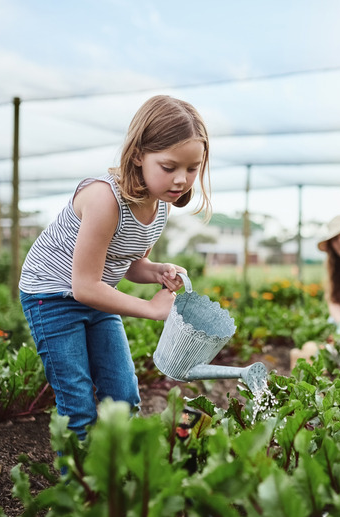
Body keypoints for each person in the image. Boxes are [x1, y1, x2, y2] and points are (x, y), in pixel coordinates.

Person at [18, 95, 212, 441]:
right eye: (169, 167)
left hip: (96, 297)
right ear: (138, 154)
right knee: (78, 406)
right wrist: (152, 309)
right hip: (52, 297)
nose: (181, 180)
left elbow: (128, 264)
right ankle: (79, 490)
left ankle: (117, 477)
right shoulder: (104, 199)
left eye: (192, 168)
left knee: (123, 396)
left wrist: (156, 271)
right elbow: (85, 286)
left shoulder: (159, 206)